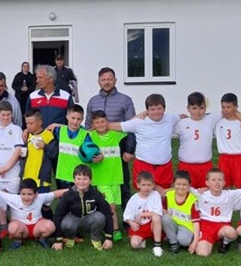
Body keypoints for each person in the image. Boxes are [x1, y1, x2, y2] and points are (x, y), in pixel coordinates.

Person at [175, 91, 241, 190]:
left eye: (201, 108)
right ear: (188, 108)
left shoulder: (211, 119)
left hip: (205, 165)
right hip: (185, 165)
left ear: (205, 108)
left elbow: (231, 111)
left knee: (207, 192)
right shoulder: (181, 123)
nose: (198, 111)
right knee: (185, 192)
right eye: (194, 108)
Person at [85, 67, 137, 204]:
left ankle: (126, 216)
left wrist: (130, 150)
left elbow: (132, 126)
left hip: (118, 146)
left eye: (109, 79)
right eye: (103, 80)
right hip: (97, 147)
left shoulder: (125, 100)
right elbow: (88, 126)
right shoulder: (93, 101)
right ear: (98, 81)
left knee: (123, 184)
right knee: (96, 183)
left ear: (115, 80)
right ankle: (98, 213)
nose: (106, 82)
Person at [111, 93, 177, 191]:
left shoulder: (171, 118)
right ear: (147, 110)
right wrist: (97, 126)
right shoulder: (139, 122)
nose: (156, 112)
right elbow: (117, 126)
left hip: (164, 166)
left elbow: (184, 117)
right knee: (145, 194)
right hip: (144, 166)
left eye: (159, 108)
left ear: (164, 108)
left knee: (164, 196)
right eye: (152, 109)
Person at [88, 110, 130, 237]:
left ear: (107, 122)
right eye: (97, 122)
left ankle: (103, 226)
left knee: (113, 206)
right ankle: (114, 230)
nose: (100, 124)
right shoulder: (90, 136)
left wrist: (143, 114)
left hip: (115, 177)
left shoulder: (115, 135)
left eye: (103, 121)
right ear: (93, 124)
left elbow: (130, 125)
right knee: (110, 206)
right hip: (100, 179)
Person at [52, 164, 113, 251]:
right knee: (66, 223)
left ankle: (95, 238)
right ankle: (70, 237)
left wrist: (109, 238)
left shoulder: (96, 194)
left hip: (89, 220)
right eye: (78, 178)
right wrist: (58, 240)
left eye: (85, 179)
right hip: (73, 220)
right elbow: (58, 215)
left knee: (100, 217)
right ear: (74, 180)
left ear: (90, 180)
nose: (81, 182)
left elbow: (107, 213)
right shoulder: (68, 195)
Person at [0, 179, 67, 250]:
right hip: (21, 228)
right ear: (20, 193)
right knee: (12, 227)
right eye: (23, 194)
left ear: (36, 194)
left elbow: (55, 194)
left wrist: (72, 189)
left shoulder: (40, 197)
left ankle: (42, 239)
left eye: (29, 194)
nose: (26, 197)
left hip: (36, 227)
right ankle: (18, 241)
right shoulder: (14, 199)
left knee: (50, 226)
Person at [194, 168, 241, 256]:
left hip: (222, 225)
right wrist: (203, 189)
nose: (217, 182)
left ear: (224, 183)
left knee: (231, 233)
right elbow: (182, 187)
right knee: (202, 253)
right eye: (213, 180)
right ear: (207, 182)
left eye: (220, 180)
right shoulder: (201, 194)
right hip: (206, 226)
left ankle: (225, 243)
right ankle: (209, 241)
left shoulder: (230, 195)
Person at [52, 105, 98, 189]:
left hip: (79, 176)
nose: (75, 121)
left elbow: (93, 153)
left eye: (78, 119)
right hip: (62, 175)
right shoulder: (59, 131)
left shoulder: (86, 135)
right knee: (63, 196)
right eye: (73, 118)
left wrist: (97, 158)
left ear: (82, 119)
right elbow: (47, 131)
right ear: (67, 117)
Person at [0, 100, 26, 192]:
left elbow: (18, 150)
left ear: (12, 115)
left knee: (12, 199)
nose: (6, 118)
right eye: (3, 115)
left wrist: (6, 168)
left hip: (12, 175)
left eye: (8, 114)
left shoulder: (17, 130)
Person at [216, 93, 241, 189]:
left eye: (229, 107)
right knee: (224, 187)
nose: (225, 110)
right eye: (223, 107)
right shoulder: (218, 122)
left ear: (236, 107)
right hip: (224, 159)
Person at [123, 171, 165, 256]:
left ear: (153, 185)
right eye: (143, 185)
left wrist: (141, 215)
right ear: (138, 185)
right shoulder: (134, 198)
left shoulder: (155, 195)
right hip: (140, 226)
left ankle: (157, 246)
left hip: (152, 225)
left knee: (156, 217)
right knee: (134, 244)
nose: (146, 188)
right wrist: (131, 223)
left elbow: (157, 212)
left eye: (149, 185)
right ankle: (142, 240)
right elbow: (127, 215)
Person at [161, 170, 201, 254]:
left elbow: (196, 222)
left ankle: (176, 238)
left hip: (186, 227)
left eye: (184, 184)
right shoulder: (168, 195)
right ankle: (174, 243)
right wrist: (165, 212)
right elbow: (163, 208)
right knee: (165, 218)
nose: (181, 187)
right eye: (178, 184)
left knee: (184, 241)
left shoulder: (192, 200)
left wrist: (195, 241)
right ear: (174, 184)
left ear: (189, 185)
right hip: (174, 223)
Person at [22, 108, 55, 190]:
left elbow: (54, 154)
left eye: (31, 123)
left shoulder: (48, 135)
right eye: (27, 124)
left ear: (40, 122)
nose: (28, 126)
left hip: (41, 180)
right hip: (27, 176)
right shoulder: (27, 135)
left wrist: (45, 146)